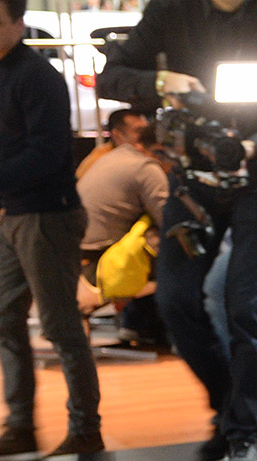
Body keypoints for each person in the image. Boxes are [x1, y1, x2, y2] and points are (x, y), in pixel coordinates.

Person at [97, 0, 257, 461]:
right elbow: (110, 78)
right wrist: (162, 82)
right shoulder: (171, 11)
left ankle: (246, 435)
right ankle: (230, 406)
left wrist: (251, 146)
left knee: (247, 304)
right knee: (175, 299)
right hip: (193, 176)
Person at [0, 0, 102, 460]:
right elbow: (2, 145)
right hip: (17, 213)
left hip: (48, 214)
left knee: (60, 325)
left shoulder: (38, 77)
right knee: (2, 317)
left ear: (18, 23)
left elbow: (49, 154)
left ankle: (85, 428)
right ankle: (19, 425)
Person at [77, 108, 171, 349]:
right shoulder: (145, 168)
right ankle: (181, 337)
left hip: (73, 264)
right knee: (188, 254)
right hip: (99, 269)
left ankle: (142, 327)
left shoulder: (106, 158)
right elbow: (170, 223)